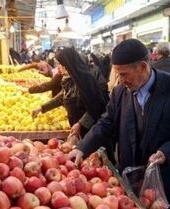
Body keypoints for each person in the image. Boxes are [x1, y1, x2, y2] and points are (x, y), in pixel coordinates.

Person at [68, 39, 170, 201]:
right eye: (117, 74)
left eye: (123, 74)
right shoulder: (120, 92)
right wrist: (82, 148)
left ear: (143, 67)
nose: (120, 80)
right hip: (129, 179)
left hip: (163, 181)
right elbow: (105, 123)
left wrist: (166, 151)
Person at [31, 47, 107, 138]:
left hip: (91, 129)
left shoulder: (85, 80)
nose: (58, 67)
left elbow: (95, 106)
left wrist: (80, 124)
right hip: (77, 126)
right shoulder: (68, 79)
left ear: (67, 64)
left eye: (59, 64)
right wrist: (42, 108)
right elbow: (62, 97)